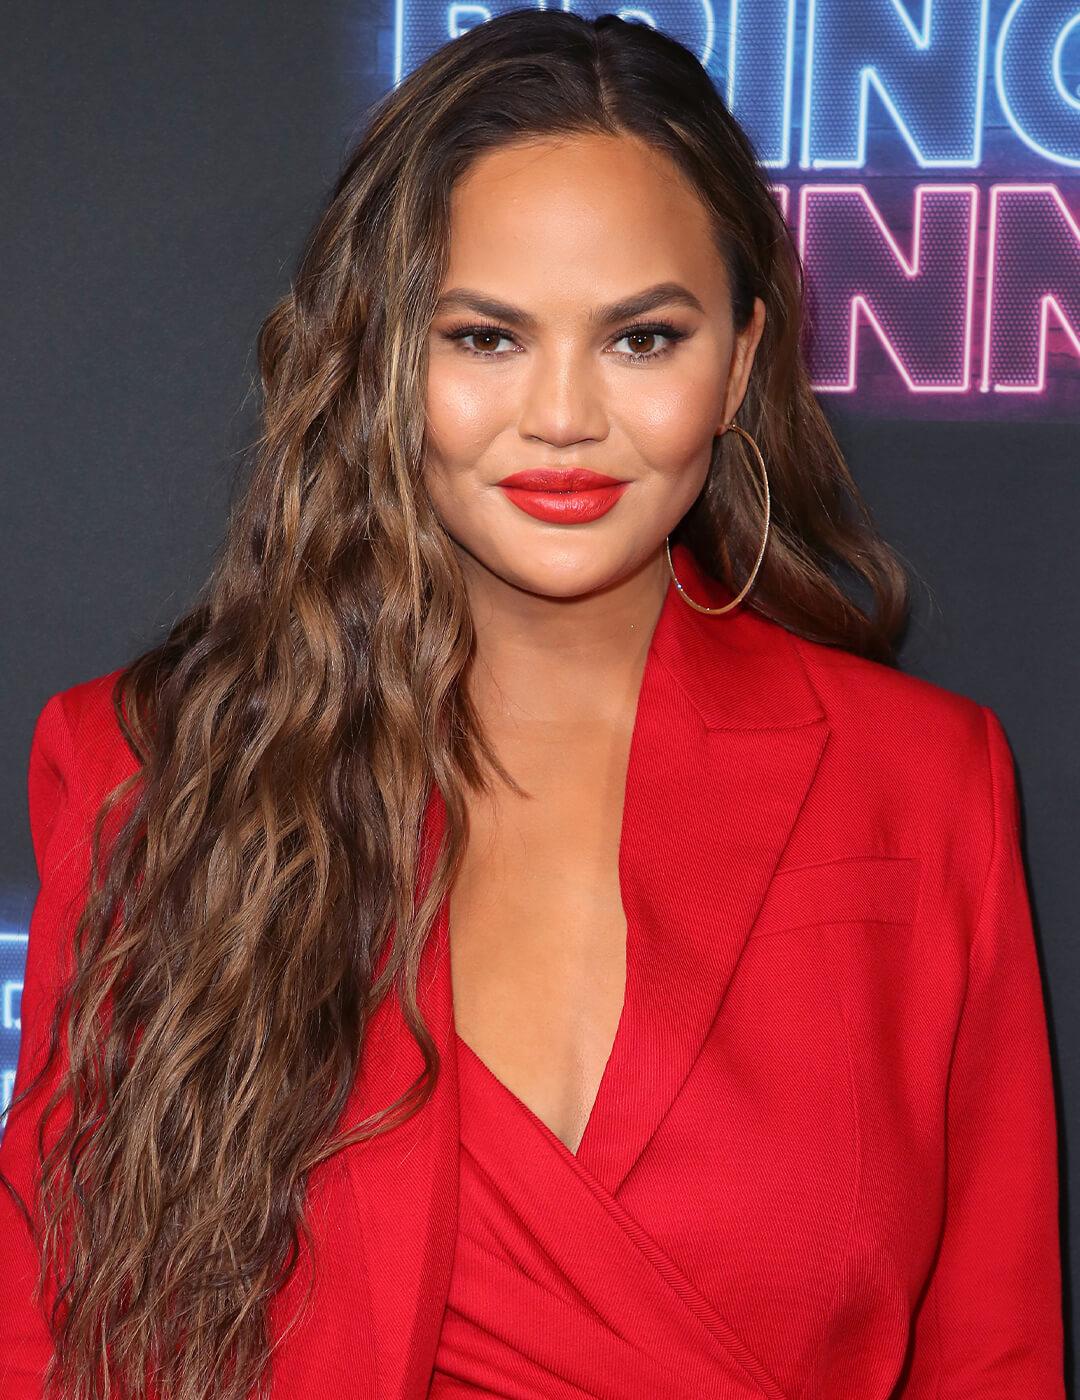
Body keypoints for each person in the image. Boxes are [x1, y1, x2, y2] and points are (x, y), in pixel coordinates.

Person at [0, 9, 1065, 1399]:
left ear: (740, 362)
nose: (563, 416)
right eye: (488, 336)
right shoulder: (153, 768)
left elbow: (995, 1353)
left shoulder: (922, 788)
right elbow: (54, 1332)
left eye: (641, 339)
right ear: (383, 355)